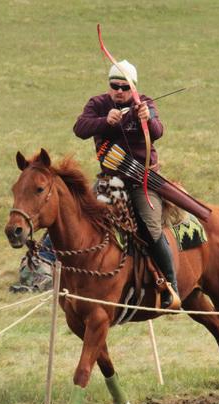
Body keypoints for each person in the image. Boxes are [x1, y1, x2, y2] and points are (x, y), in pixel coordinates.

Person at [73, 60, 179, 309]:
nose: (119, 91)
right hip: (110, 180)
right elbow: (79, 128)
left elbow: (158, 132)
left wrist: (147, 120)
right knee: (81, 217)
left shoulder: (145, 104)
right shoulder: (98, 104)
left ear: (133, 88)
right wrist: (103, 121)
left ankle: (171, 285)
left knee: (151, 228)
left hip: (143, 181)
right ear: (109, 86)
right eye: (115, 86)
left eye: (125, 87)